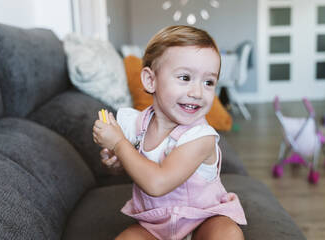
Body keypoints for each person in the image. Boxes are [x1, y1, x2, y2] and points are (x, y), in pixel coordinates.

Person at [92, 25, 246, 240]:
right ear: (150, 80)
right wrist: (116, 162)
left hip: (203, 219)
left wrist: (119, 144)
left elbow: (158, 183)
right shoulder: (135, 123)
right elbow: (131, 165)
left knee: (227, 233)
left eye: (208, 82)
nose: (197, 92)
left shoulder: (201, 137)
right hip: (154, 225)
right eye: (185, 77)